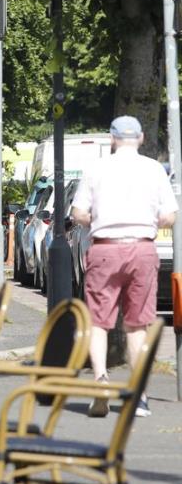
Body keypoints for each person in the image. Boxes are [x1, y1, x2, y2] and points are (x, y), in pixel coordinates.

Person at [71, 115, 177, 418]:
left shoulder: (96, 168)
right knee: (137, 325)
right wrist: (147, 220)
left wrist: (97, 221)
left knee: (98, 322)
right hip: (142, 249)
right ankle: (139, 395)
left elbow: (78, 212)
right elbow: (170, 215)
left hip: (105, 249)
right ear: (141, 138)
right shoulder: (154, 169)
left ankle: (101, 380)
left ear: (112, 139)